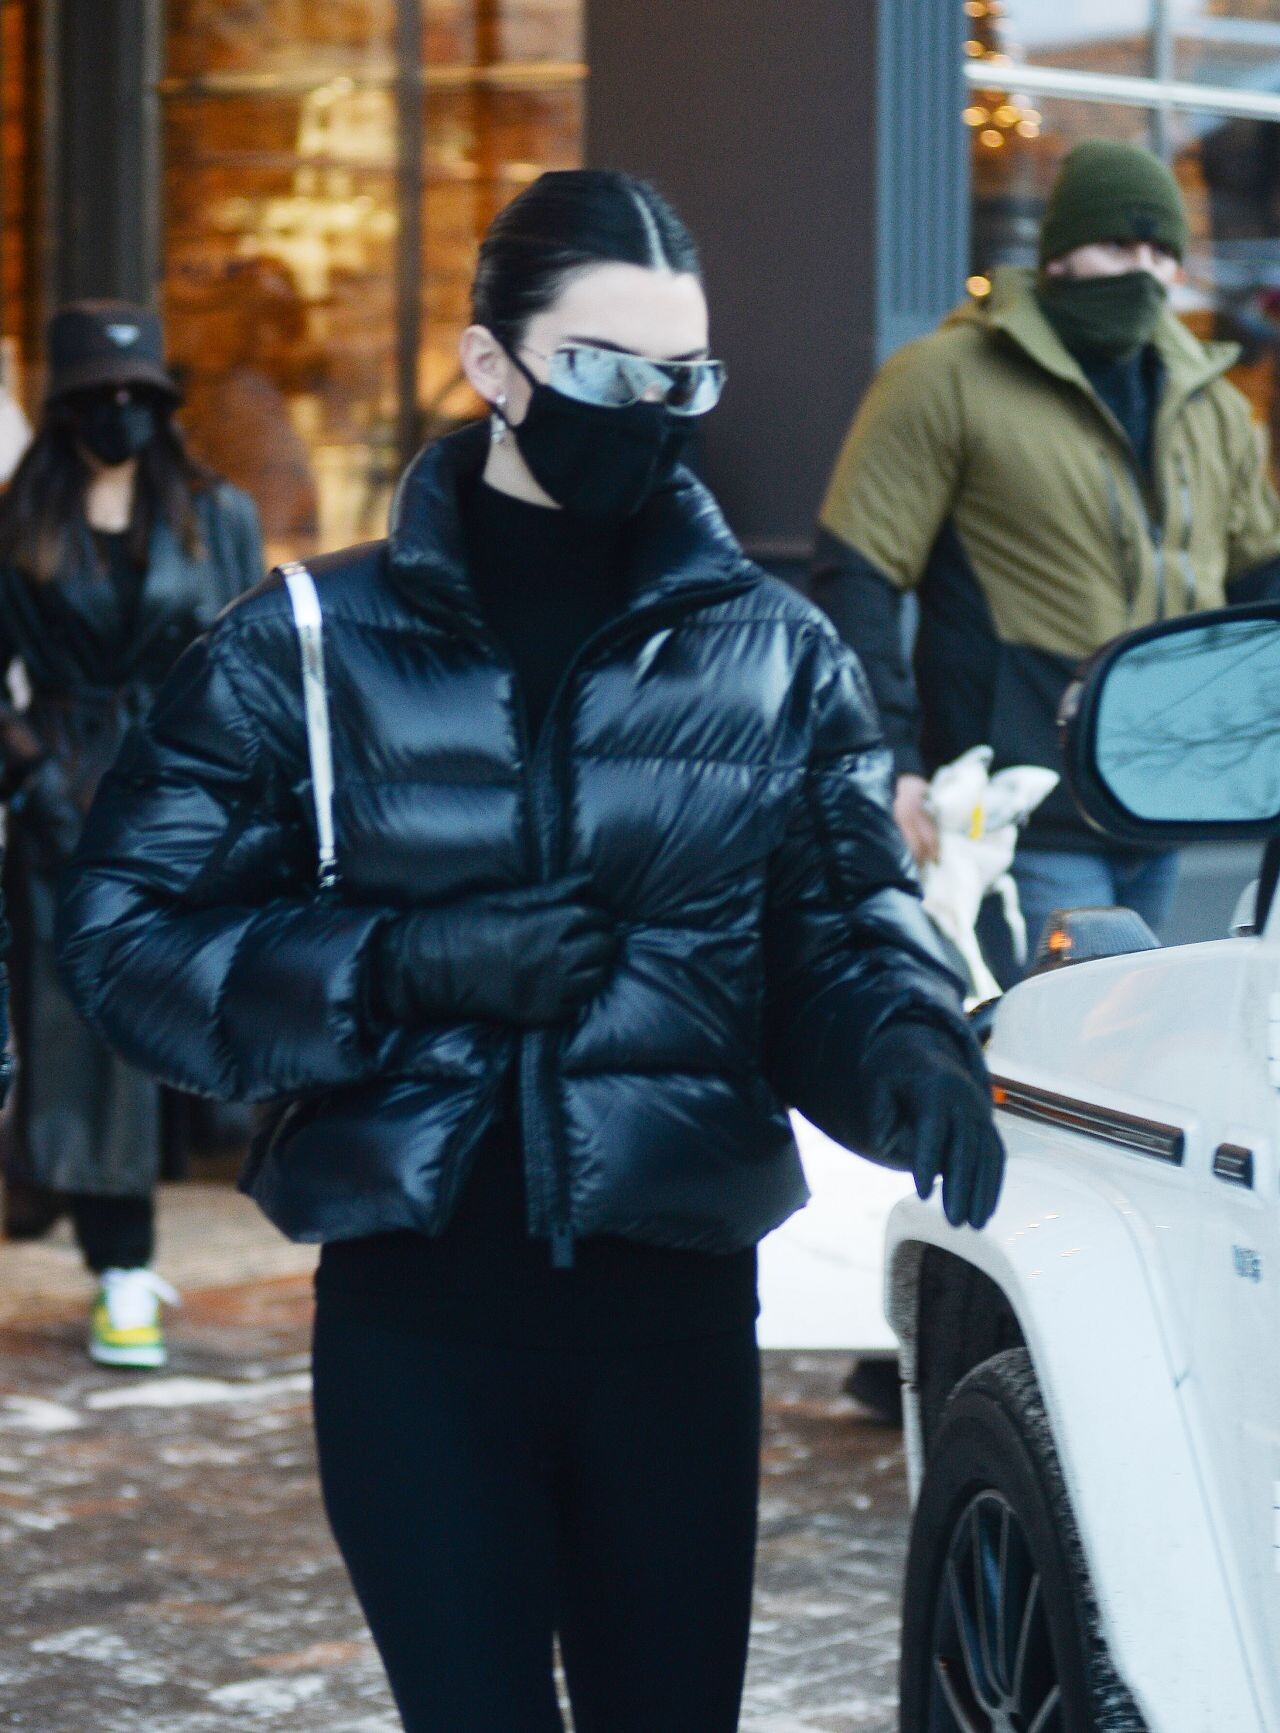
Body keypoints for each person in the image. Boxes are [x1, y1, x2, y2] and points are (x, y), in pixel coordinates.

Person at [56, 172, 1004, 1733]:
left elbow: (838, 935)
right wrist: (400, 966)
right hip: (420, 1326)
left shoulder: (774, 656)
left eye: (688, 377)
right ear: (492, 364)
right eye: (610, 371)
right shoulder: (305, 646)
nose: (657, 414)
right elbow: (124, 936)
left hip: (673, 1319)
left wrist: (907, 1044)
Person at [814, 139, 1280, 975]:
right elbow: (857, 572)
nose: (1141, 271)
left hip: (1165, 803)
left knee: (1127, 1029)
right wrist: (891, 759)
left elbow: (1260, 584)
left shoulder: (1208, 402)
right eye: (1116, 246)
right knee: (1060, 1024)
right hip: (1019, 807)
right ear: (1059, 254)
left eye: (1160, 252)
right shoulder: (946, 376)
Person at [0, 299, 263, 1368]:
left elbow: (246, 656)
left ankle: (89, 1221)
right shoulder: (20, 519)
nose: (119, 412)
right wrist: (30, 771)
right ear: (64, 408)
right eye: (98, 396)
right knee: (78, 1032)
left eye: (136, 395)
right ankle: (121, 1263)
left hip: (184, 795)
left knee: (176, 1016)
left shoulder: (214, 512)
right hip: (62, 801)